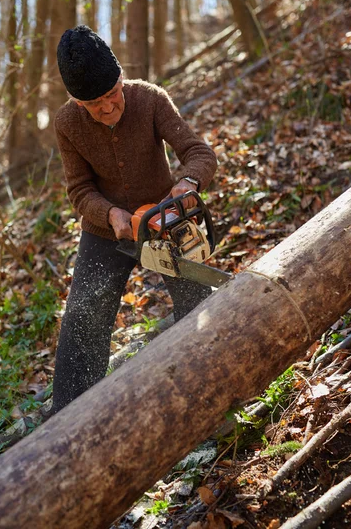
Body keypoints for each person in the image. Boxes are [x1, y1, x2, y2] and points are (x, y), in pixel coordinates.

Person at [51, 25, 217, 414]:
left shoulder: (149, 100)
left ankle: (211, 389)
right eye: (95, 104)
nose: (108, 108)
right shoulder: (66, 124)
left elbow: (198, 152)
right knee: (83, 317)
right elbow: (79, 191)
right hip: (105, 230)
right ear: (77, 102)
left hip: (162, 218)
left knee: (197, 303)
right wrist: (110, 214)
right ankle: (69, 417)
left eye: (112, 95)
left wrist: (188, 183)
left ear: (121, 78)